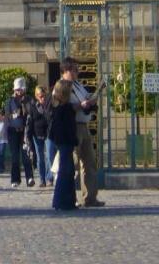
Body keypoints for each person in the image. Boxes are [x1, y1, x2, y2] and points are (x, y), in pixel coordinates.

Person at [60, 57, 105, 207]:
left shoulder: (78, 85)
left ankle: (90, 197)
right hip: (72, 127)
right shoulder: (62, 86)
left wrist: (92, 100)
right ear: (66, 70)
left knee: (89, 162)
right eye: (74, 69)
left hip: (84, 126)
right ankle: (70, 197)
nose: (77, 72)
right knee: (73, 164)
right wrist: (80, 105)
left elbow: (86, 98)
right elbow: (62, 108)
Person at [47, 79, 78, 211]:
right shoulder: (63, 108)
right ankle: (59, 201)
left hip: (65, 141)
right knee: (65, 171)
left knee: (69, 171)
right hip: (65, 142)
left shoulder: (61, 107)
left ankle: (69, 201)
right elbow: (64, 129)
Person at [4, 76, 36, 187]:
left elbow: (32, 113)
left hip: (25, 131)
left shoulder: (29, 100)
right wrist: (14, 115)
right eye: (17, 90)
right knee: (15, 157)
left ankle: (29, 178)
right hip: (13, 131)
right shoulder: (9, 101)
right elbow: (6, 116)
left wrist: (26, 108)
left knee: (26, 155)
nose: (19, 92)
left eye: (21, 89)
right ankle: (15, 180)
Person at [30, 84, 53, 187]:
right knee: (40, 157)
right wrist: (28, 136)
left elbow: (51, 119)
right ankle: (42, 180)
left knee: (49, 155)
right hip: (37, 134)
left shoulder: (49, 105)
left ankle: (49, 178)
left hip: (48, 133)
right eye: (40, 96)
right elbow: (30, 122)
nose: (42, 98)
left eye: (44, 96)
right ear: (36, 96)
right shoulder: (33, 106)